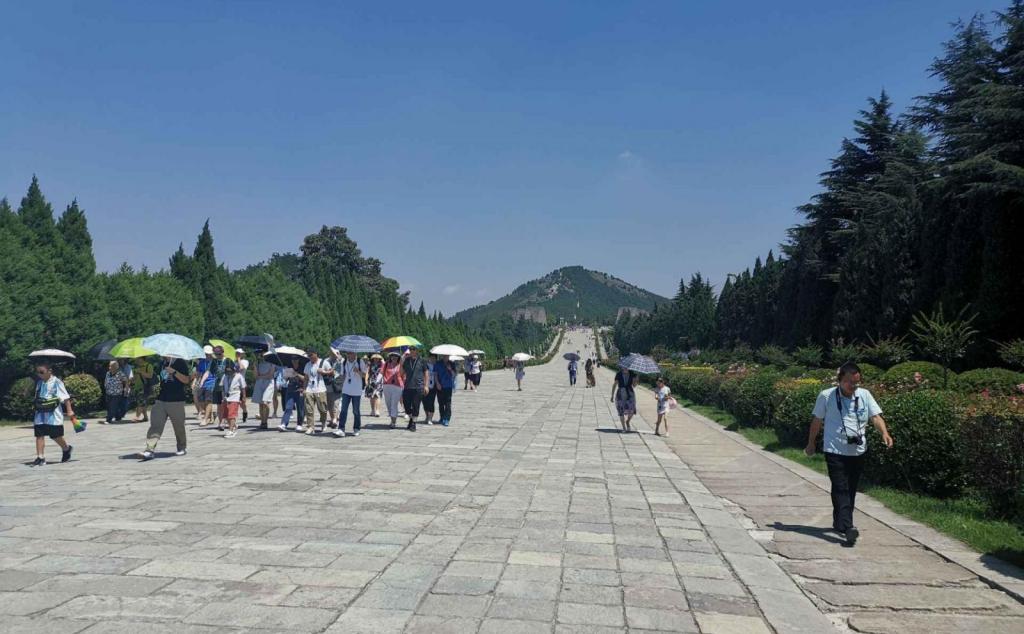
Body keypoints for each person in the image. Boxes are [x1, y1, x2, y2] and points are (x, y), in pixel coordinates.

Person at [805, 362, 893, 546]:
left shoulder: (864, 395)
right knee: (840, 487)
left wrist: (884, 433)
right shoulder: (826, 396)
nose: (853, 386)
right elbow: (817, 421)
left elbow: (875, 417)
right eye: (849, 382)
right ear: (839, 380)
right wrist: (811, 443)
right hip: (834, 449)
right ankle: (848, 527)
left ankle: (840, 522)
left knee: (850, 489)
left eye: (856, 383)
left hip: (857, 451)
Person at [141, 356, 191, 459]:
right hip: (161, 399)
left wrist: (174, 372)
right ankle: (150, 449)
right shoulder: (162, 363)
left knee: (178, 426)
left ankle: (181, 447)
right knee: (155, 424)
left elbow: (186, 380)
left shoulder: (180, 362)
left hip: (176, 400)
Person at [30, 361, 78, 466]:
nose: (39, 374)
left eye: (42, 372)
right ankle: (40, 457)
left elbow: (66, 397)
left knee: (55, 435)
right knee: (39, 434)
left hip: (53, 414)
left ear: (49, 371)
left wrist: (69, 411)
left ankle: (66, 448)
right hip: (40, 413)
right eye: (38, 372)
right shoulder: (39, 383)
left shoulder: (57, 382)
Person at [335, 350, 368, 437]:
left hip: (356, 391)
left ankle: (356, 428)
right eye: (348, 354)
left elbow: (364, 375)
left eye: (350, 353)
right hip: (346, 389)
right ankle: (341, 429)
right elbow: (343, 375)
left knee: (356, 411)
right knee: (343, 410)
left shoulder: (359, 361)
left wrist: (358, 371)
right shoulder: (344, 362)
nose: (349, 355)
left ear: (355, 354)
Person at [400, 346, 430, 432]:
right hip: (408, 386)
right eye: (411, 350)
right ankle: (411, 419)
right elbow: (401, 373)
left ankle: (413, 423)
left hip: (418, 386)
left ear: (417, 351)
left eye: (414, 349)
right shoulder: (406, 360)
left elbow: (426, 374)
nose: (412, 351)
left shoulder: (422, 361)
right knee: (407, 406)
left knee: (416, 406)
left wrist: (426, 385)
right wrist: (401, 363)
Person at [301, 349, 330, 434]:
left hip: (320, 389)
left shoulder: (323, 362)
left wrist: (324, 372)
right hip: (310, 389)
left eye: (311, 355)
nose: (310, 357)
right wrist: (304, 389)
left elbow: (332, 371)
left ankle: (324, 423)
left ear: (316, 354)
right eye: (309, 356)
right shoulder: (307, 364)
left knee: (323, 409)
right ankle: (310, 427)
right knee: (308, 409)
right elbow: (306, 378)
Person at [200, 346, 229, 429]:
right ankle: (221, 423)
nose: (218, 356)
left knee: (226, 404)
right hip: (217, 386)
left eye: (219, 354)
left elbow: (233, 372)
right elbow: (208, 371)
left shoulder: (228, 361)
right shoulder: (214, 361)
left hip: (226, 386)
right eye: (216, 354)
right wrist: (202, 381)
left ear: (223, 352)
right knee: (219, 405)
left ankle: (227, 420)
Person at [278, 358, 306, 431]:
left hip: (300, 389)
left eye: (295, 359)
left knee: (300, 408)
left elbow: (305, 379)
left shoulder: (303, 368)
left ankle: (299, 424)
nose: (294, 361)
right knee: (288, 407)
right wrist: (286, 375)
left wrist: (296, 374)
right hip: (290, 389)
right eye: (292, 359)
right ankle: (284, 424)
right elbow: (285, 379)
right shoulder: (289, 368)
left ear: (298, 360)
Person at [252, 351, 276, 429]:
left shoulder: (272, 362)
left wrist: (261, 376)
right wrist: (255, 366)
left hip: (269, 383)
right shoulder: (259, 363)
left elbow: (270, 375)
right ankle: (263, 422)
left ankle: (265, 421)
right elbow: (256, 376)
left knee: (265, 402)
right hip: (259, 383)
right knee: (260, 403)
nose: (262, 355)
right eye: (261, 353)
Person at [220, 361, 244, 438]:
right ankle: (233, 426)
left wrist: (243, 397)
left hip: (235, 396)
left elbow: (243, 387)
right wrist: (222, 397)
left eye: (230, 371)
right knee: (226, 414)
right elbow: (222, 386)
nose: (229, 373)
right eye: (227, 371)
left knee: (232, 414)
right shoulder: (225, 376)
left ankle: (230, 430)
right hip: (226, 397)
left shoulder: (239, 376)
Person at [611, 367, 637, 432]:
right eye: (624, 367)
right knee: (621, 411)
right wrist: (612, 395)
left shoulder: (632, 374)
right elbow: (615, 384)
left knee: (632, 409)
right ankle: (624, 428)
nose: (626, 368)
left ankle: (627, 421)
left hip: (630, 393)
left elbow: (634, 385)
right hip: (620, 393)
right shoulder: (619, 374)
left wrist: (636, 380)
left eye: (627, 367)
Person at [382, 352, 404, 427]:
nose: (394, 357)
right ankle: (392, 418)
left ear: (398, 358)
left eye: (396, 356)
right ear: (390, 357)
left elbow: (403, 374)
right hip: (386, 385)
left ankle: (393, 422)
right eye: (392, 356)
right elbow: (381, 373)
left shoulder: (400, 365)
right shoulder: (386, 364)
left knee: (394, 404)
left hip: (397, 386)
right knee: (388, 403)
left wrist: (401, 364)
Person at [434, 356, 456, 426]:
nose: (446, 357)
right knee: (440, 403)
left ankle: (447, 419)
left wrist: (450, 369)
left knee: (448, 403)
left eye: (447, 356)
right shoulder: (438, 363)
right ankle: (442, 417)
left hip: (448, 386)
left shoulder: (452, 363)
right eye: (445, 355)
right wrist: (437, 383)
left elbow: (454, 375)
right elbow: (435, 374)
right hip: (440, 386)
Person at [192, 346, 213, 420]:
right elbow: (198, 373)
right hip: (202, 382)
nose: (207, 355)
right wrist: (195, 381)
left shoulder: (214, 362)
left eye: (208, 353)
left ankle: (207, 418)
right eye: (205, 354)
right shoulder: (201, 362)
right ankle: (211, 414)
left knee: (207, 400)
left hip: (211, 381)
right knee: (200, 400)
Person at [326, 348, 344, 430]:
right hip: (328, 384)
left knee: (336, 403)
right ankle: (332, 418)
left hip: (338, 384)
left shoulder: (342, 361)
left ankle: (334, 420)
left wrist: (339, 361)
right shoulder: (327, 361)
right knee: (329, 404)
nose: (333, 355)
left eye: (335, 353)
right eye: (332, 353)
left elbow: (342, 372)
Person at [133, 357, 154, 422]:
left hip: (145, 387)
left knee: (141, 403)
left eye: (137, 358)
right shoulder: (136, 367)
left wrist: (141, 372)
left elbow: (150, 376)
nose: (135, 360)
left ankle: (137, 417)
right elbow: (134, 379)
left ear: (141, 358)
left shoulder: (148, 366)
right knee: (142, 403)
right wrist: (135, 374)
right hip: (137, 387)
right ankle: (145, 417)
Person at [422, 354, 438, 424]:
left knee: (431, 402)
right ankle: (427, 416)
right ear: (429, 358)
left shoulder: (437, 366)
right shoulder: (425, 365)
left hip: (433, 387)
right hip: (425, 386)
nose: (432, 359)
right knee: (425, 402)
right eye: (431, 358)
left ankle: (430, 419)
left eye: (434, 358)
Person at [236, 348, 250, 424]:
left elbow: (241, 368)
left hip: (242, 383)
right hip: (234, 384)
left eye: (239, 353)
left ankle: (245, 412)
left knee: (242, 402)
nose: (238, 354)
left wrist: (238, 359)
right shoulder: (233, 361)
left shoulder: (245, 361)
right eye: (237, 353)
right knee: (235, 401)